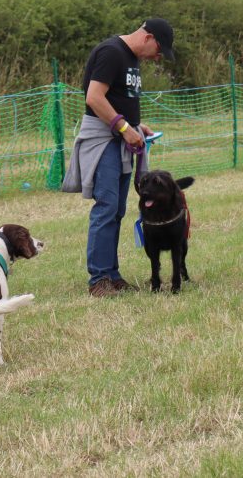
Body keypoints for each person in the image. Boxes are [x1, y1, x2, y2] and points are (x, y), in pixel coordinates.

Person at [62, 18, 175, 298]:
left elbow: (118, 99)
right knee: (106, 206)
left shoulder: (132, 59)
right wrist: (124, 128)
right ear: (148, 37)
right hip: (105, 141)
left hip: (122, 139)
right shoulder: (111, 52)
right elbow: (94, 97)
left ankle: (112, 275)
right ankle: (98, 279)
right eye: (159, 49)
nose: (158, 57)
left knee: (118, 210)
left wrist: (137, 125)